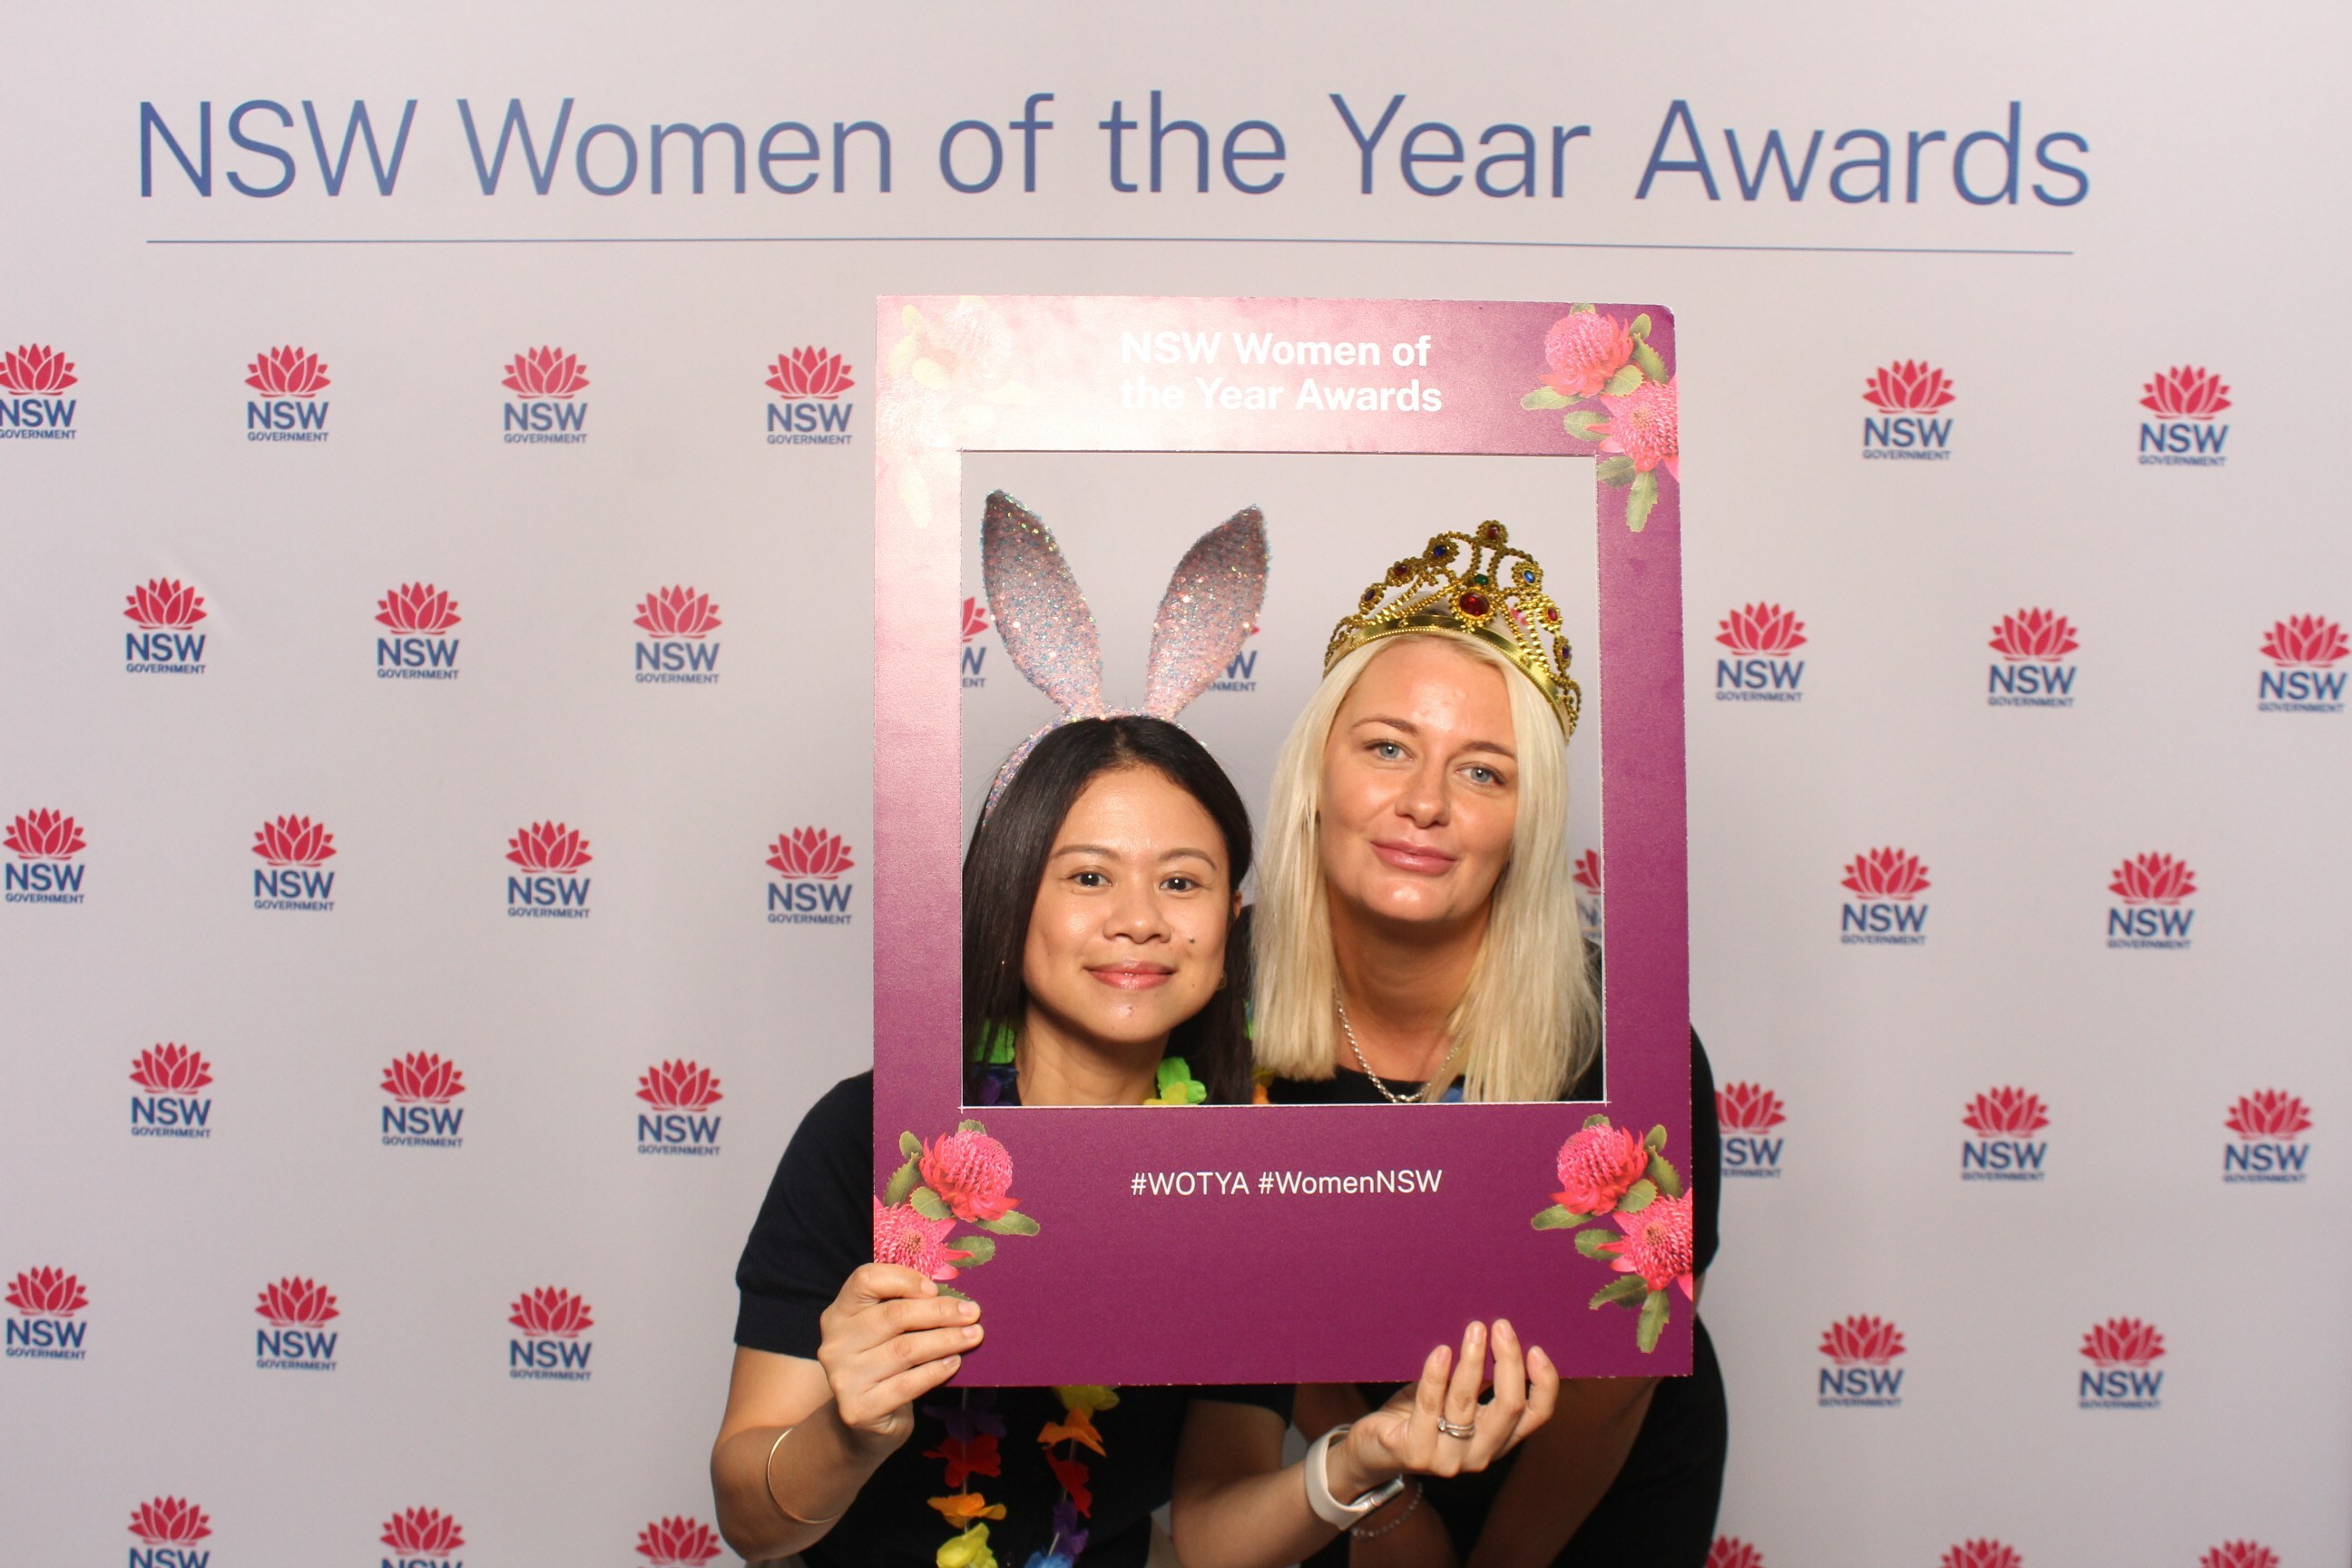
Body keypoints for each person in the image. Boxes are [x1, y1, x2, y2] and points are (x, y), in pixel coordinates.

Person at [711, 718, 1561, 1568]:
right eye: (1089, 877)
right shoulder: (874, 1142)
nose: (1140, 921)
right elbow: (753, 1524)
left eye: (1182, 883)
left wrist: (1360, 1458)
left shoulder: (1244, 1182)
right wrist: (849, 1433)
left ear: (1231, 923)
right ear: (1012, 903)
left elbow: (1213, 1538)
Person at [1254, 520, 1726, 1567]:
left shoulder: (1624, 1036)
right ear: (1317, 771)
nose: (1423, 804)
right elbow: (1243, 1293)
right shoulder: (1212, 997)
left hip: (1587, 1485)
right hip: (1343, 1468)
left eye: (1482, 773)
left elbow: (1620, 1366)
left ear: (1528, 819)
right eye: (1387, 748)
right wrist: (1383, 1507)